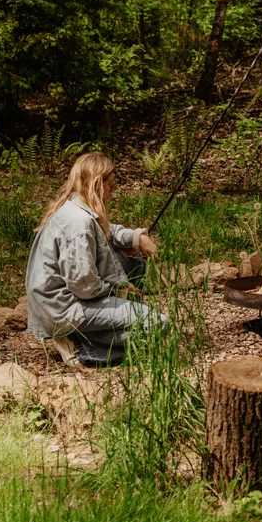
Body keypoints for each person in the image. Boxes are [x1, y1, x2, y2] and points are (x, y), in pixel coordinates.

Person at [25, 152, 163, 367]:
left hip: (62, 301)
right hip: (66, 307)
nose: (112, 190)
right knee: (158, 325)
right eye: (110, 184)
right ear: (97, 184)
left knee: (134, 259)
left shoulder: (74, 206)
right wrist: (119, 286)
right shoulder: (79, 224)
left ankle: (93, 335)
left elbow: (108, 231)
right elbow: (83, 286)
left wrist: (138, 238)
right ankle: (84, 347)